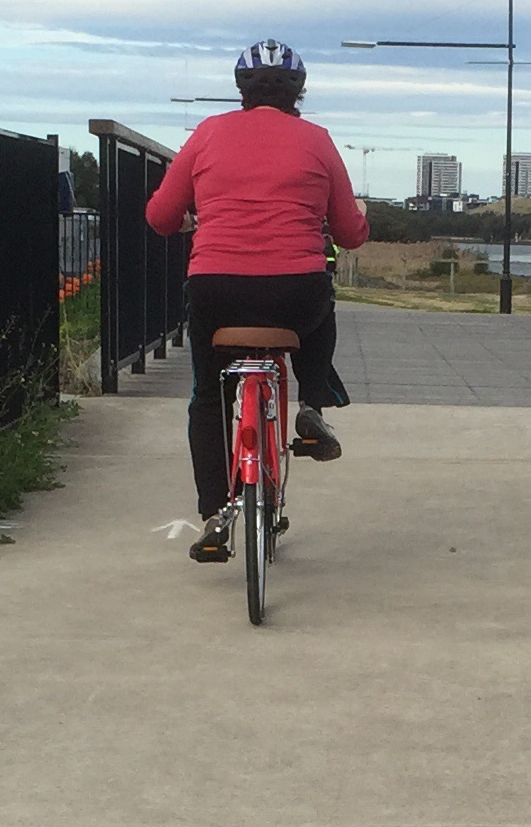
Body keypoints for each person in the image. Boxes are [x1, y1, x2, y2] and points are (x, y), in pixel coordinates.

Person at [144, 40, 368, 562]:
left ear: (240, 90)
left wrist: (194, 219)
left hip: (216, 290)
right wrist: (353, 214)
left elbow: (159, 217)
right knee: (321, 304)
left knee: (207, 395)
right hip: (295, 293)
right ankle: (312, 404)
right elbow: (350, 234)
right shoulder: (317, 140)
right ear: (299, 93)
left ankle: (213, 513)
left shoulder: (207, 134)